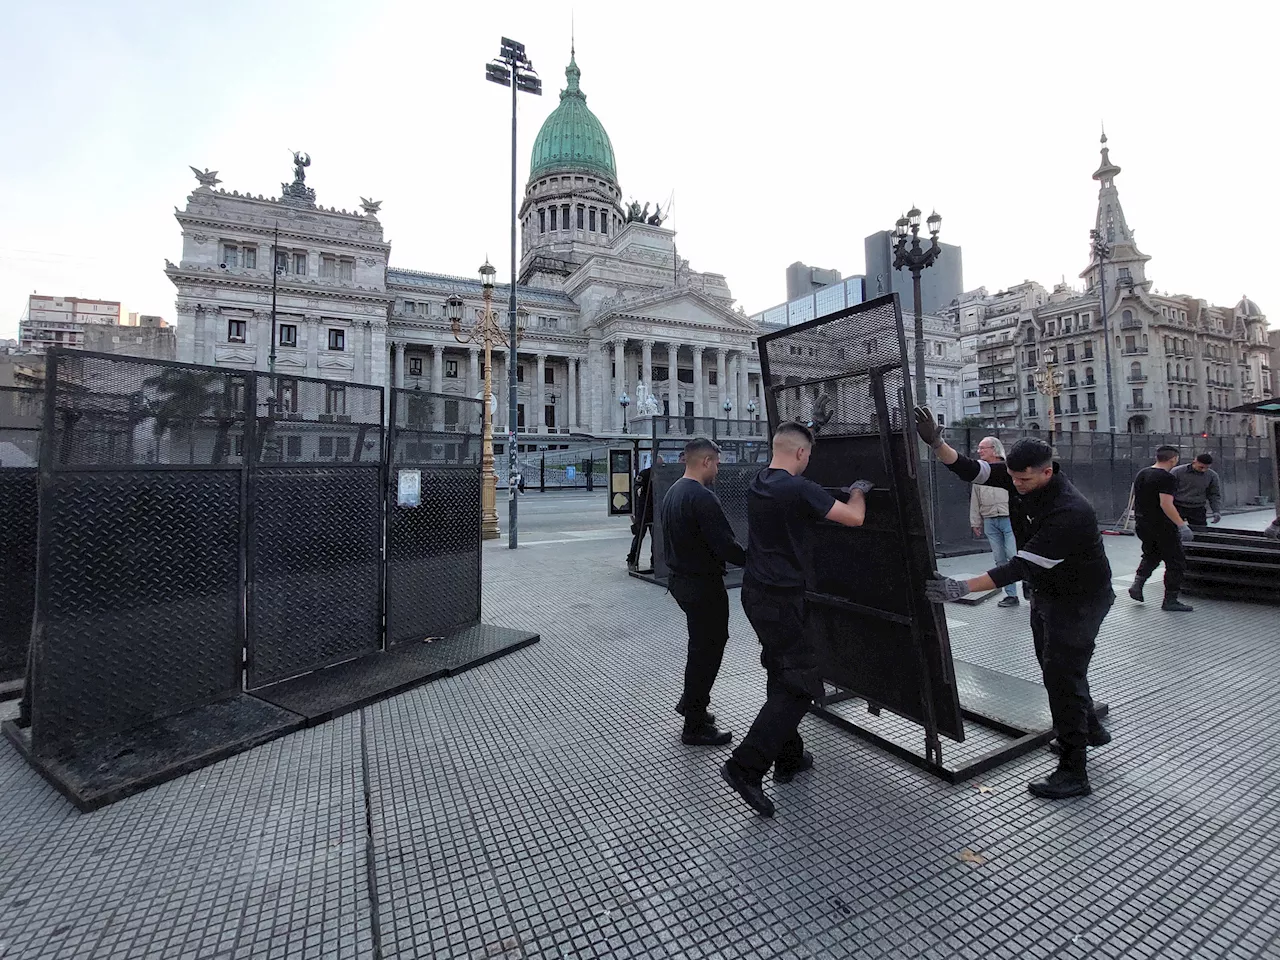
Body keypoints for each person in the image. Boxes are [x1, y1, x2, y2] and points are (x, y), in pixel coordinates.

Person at [914, 407, 1113, 800]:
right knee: (1056, 666)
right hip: (1049, 594)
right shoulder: (1019, 477)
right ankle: (1090, 728)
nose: (1017, 485)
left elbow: (1017, 566)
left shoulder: (1070, 512)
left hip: (1080, 600)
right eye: (1014, 477)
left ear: (1047, 472)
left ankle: (1074, 772)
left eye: (1024, 479)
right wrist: (937, 444)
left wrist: (962, 587)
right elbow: (972, 470)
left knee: (1061, 677)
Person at [720, 421, 874, 818]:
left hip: (755, 593)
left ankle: (790, 756)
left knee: (780, 671)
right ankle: (746, 767)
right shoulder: (799, 488)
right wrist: (858, 490)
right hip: (781, 598)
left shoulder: (760, 482)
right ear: (802, 454)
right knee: (801, 683)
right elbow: (854, 518)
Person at [660, 438, 746, 746]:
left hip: (681, 582)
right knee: (706, 653)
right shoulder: (703, 497)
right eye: (718, 464)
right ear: (706, 461)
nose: (719, 470)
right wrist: (755, 559)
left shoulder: (674, 492)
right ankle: (694, 724)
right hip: (703, 585)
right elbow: (725, 545)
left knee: (700, 648)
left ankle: (691, 703)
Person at [1129, 446, 1196, 612]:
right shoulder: (1167, 478)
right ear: (1174, 459)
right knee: (1176, 562)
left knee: (1151, 555)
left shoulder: (1142, 473)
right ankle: (1170, 600)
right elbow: (1165, 504)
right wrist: (1181, 525)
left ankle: (1137, 584)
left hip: (1143, 524)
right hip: (1162, 526)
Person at [969, 436, 1020, 608]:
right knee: (999, 559)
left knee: (1014, 555)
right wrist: (975, 521)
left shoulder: (1009, 469)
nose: (979, 451)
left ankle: (1030, 586)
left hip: (1009, 518)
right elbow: (975, 499)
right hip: (990, 519)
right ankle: (1011, 595)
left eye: (983, 448)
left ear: (994, 449)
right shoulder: (979, 472)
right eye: (979, 448)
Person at [626, 454, 664, 569]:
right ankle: (632, 559)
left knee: (656, 539)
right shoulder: (645, 474)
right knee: (639, 536)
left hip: (655, 511)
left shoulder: (662, 475)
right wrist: (639, 489)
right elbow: (637, 486)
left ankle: (654, 562)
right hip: (643, 511)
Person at [1171, 453, 1223, 527]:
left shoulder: (1212, 475)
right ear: (1195, 461)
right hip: (1178, 506)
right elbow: (1169, 490)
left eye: (1207, 468)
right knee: (1172, 530)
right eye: (1201, 467)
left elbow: (1214, 495)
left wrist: (1216, 511)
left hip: (1198, 508)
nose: (1203, 470)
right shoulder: (1177, 471)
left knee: (1201, 532)